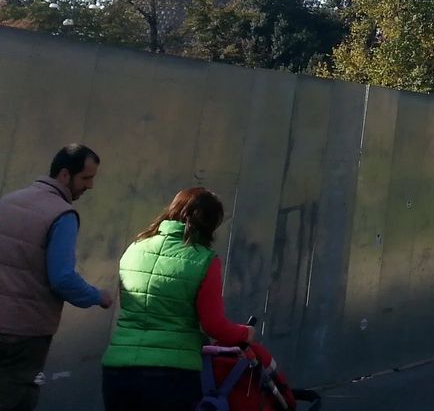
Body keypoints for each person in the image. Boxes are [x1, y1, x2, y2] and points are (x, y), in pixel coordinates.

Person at [102, 187, 254, 411]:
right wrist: (245, 333)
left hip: (117, 367)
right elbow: (214, 325)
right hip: (171, 374)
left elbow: (133, 304)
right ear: (210, 224)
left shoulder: (134, 248)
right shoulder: (203, 260)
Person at [0, 144, 112, 411]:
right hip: (23, 335)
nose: (90, 186)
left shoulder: (8, 202)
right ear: (64, 175)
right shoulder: (62, 215)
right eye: (86, 178)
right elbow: (62, 278)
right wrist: (99, 296)